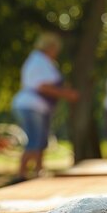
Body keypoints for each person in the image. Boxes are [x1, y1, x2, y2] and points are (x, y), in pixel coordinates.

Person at [11, 32, 78, 181]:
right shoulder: (38, 61)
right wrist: (66, 94)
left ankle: (38, 171)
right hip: (31, 105)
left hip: (37, 106)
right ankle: (21, 174)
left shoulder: (43, 61)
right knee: (35, 139)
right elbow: (43, 86)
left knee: (40, 140)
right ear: (50, 47)